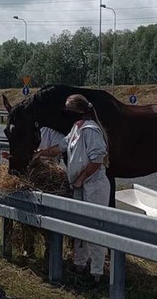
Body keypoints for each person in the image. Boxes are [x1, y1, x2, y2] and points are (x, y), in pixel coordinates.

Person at [34, 94, 110, 284]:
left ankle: (96, 273)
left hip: (94, 185)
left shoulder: (90, 130)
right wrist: (37, 155)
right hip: (79, 185)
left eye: (68, 110)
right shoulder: (75, 130)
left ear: (76, 111)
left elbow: (97, 160)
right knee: (78, 227)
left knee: (94, 228)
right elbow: (59, 148)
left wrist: (81, 178)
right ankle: (79, 263)